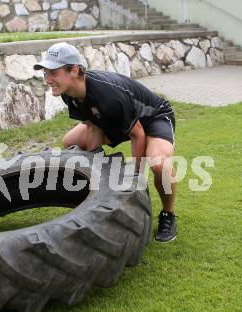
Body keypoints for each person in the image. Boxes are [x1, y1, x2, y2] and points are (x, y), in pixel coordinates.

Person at [34, 42, 177, 243]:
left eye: (53, 73)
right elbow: (93, 126)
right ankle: (92, 191)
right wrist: (96, 173)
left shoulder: (108, 95)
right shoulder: (69, 94)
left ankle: (168, 214)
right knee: (71, 142)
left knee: (159, 164)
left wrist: (137, 181)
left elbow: (138, 134)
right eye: (45, 73)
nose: (48, 80)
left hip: (153, 117)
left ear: (74, 70)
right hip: (116, 119)